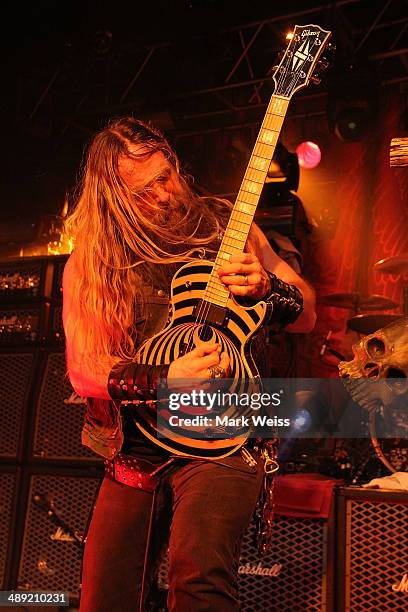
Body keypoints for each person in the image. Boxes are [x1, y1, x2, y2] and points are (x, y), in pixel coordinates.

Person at [62, 117, 316, 612]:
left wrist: (271, 287)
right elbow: (83, 368)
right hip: (138, 446)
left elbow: (308, 313)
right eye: (142, 190)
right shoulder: (95, 257)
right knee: (105, 598)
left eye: (166, 175)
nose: (161, 194)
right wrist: (164, 380)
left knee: (199, 583)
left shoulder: (228, 227)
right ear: (113, 198)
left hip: (222, 442)